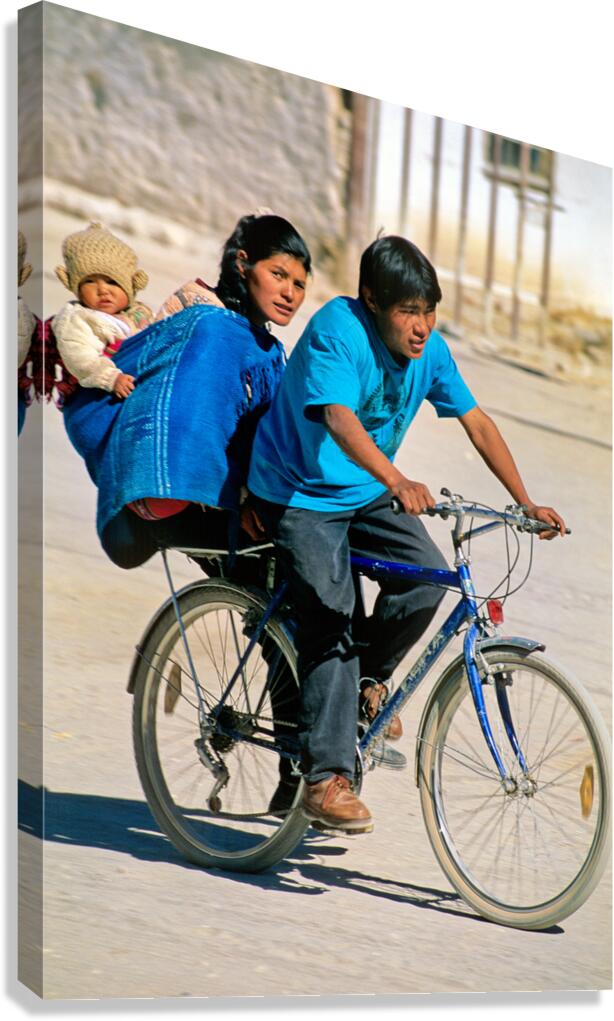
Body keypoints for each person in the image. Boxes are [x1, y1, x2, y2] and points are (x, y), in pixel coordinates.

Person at [245, 233, 566, 834]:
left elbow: (477, 421)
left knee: (427, 578)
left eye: (429, 311)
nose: (421, 327)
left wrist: (524, 502)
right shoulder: (338, 330)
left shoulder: (430, 352)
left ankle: (365, 684)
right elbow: (337, 416)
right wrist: (396, 478)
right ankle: (325, 780)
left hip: (363, 489)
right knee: (331, 615)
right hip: (298, 491)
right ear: (372, 300)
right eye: (407, 311)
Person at [62, 213, 311, 569]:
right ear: (243, 264)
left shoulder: (263, 348)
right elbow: (187, 422)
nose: (289, 293)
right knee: (281, 558)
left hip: (200, 493)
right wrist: (242, 500)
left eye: (299, 284)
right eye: (278, 274)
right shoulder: (205, 320)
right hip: (166, 492)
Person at [52, 221, 154, 399]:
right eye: (90, 281)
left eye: (112, 282)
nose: (102, 290)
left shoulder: (138, 312)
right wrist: (111, 378)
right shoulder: (78, 318)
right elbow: (80, 357)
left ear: (131, 286)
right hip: (99, 391)